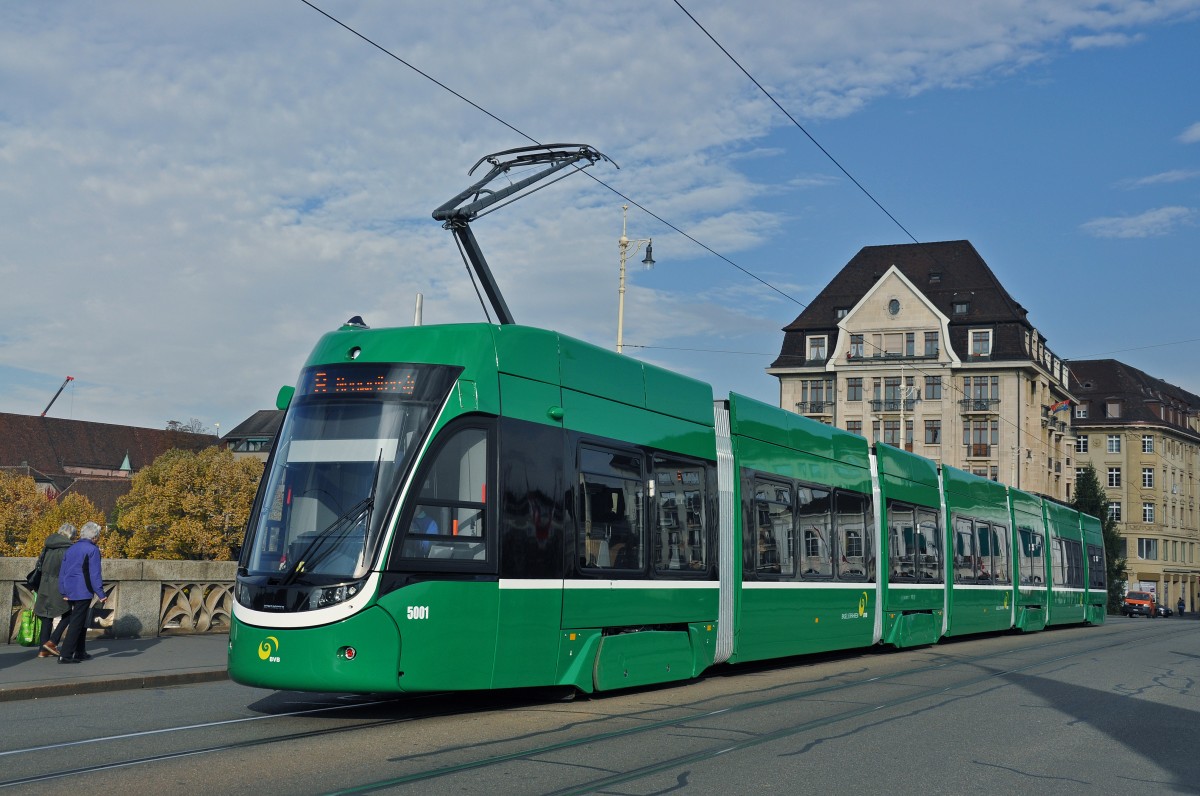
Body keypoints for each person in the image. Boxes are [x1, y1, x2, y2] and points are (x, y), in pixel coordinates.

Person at [57, 521, 107, 664]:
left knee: (80, 620)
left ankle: (80, 651)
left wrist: (62, 590)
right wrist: (101, 594)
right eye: (98, 536)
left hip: (69, 588)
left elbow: (63, 572)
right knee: (77, 623)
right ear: (95, 537)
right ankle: (66, 654)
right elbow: (95, 574)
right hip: (83, 590)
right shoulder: (92, 550)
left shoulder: (71, 548)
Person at [33, 523, 76, 658]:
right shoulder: (68, 549)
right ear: (71, 535)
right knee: (68, 613)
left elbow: (38, 565)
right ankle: (53, 641)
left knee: (47, 616)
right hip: (59, 585)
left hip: (44, 585)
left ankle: (42, 650)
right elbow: (70, 571)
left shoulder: (47, 546)